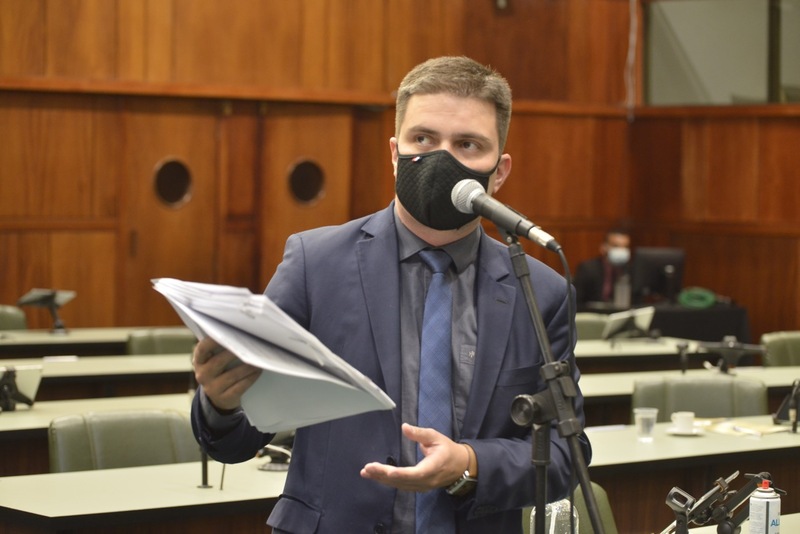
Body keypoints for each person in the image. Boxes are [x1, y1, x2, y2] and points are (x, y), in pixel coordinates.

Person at [191, 56, 592, 534]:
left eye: (467, 145)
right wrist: (222, 403)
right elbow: (237, 441)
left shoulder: (540, 292)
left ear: (499, 171)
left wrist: (469, 463)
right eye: (423, 139)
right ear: (394, 153)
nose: (442, 160)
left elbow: (566, 455)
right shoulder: (315, 265)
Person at [573, 228, 632, 309]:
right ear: (603, 248)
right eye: (616, 246)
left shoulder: (630, 270)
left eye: (625, 247)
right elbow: (577, 301)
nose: (621, 250)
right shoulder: (588, 269)